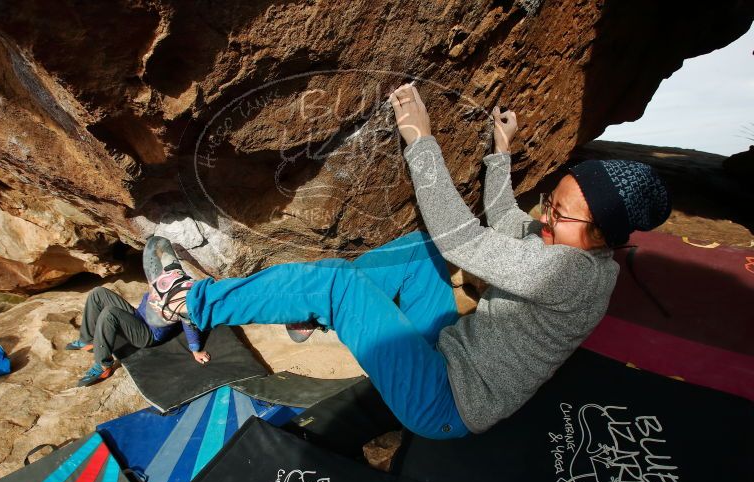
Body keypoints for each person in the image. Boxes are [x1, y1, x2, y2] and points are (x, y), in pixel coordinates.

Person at [152, 83, 671, 440]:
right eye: (551, 204)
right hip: (447, 352)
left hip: (445, 402)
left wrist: (421, 141)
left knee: (338, 286)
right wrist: (501, 151)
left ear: (604, 235)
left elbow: (464, 239)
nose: (547, 218)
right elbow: (506, 217)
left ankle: (190, 301)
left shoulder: (573, 274)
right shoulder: (566, 244)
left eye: (561, 214)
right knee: (423, 251)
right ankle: (306, 307)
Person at [67, 272, 210, 388]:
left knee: (109, 314)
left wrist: (195, 350)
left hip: (147, 334)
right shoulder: (167, 280)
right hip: (138, 316)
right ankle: (88, 339)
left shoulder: (181, 299)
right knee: (98, 292)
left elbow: (188, 322)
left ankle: (103, 364)